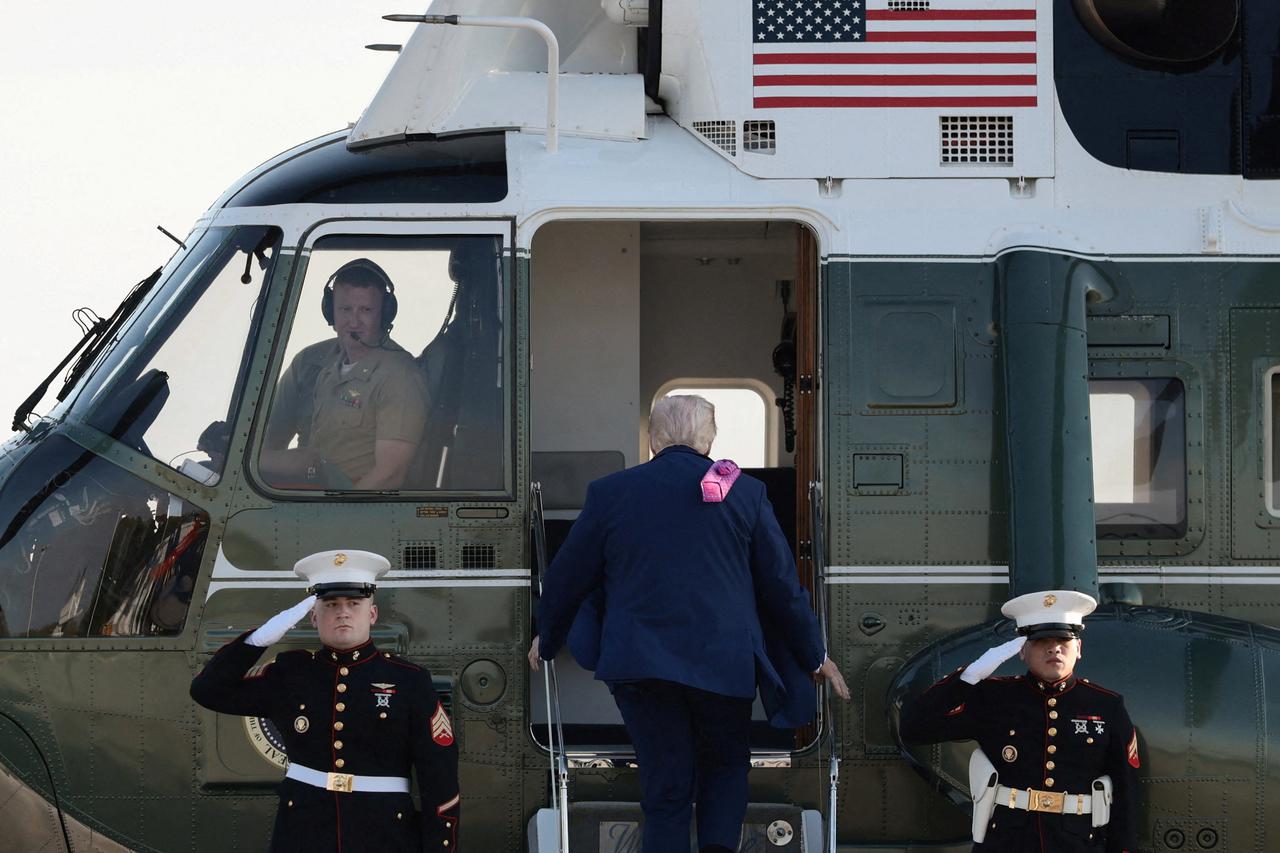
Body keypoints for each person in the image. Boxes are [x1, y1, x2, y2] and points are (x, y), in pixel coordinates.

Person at [527, 394, 849, 853]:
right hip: (723, 663)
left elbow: (567, 578)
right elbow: (781, 586)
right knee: (724, 766)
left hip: (641, 667)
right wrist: (814, 655)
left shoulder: (610, 492)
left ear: (653, 439)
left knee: (666, 784)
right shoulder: (747, 493)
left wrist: (549, 636)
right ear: (709, 438)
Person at [190, 550, 460, 852]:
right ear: (314, 616)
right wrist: (260, 639)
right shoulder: (290, 673)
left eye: (354, 604)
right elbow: (208, 691)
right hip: (304, 831)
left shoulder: (409, 680)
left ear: (372, 614)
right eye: (331, 605)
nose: (343, 612)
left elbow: (439, 778)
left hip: (385, 833)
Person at [899, 590, 1140, 853]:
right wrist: (968, 677)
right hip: (1008, 841)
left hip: (1079, 842)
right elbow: (915, 728)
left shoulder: (1106, 705)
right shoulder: (994, 697)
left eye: (1064, 639)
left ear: (1078, 648)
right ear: (1021, 651)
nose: (1054, 648)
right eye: (1040, 641)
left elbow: (1125, 790)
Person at [261, 258, 428, 489]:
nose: (354, 321)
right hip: (310, 494)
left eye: (366, 310)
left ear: (384, 315)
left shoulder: (398, 375)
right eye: (345, 309)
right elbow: (279, 443)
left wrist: (332, 517)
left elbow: (390, 476)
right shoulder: (326, 367)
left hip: (347, 507)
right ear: (330, 312)